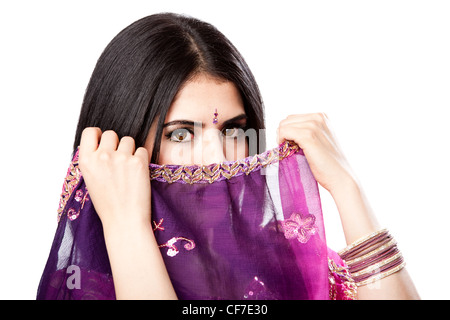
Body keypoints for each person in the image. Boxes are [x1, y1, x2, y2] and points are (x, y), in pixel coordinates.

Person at [41, 13, 419, 299]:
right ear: (121, 147)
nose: (217, 158)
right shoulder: (88, 280)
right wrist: (125, 227)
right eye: (182, 133)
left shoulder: (291, 263)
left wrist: (346, 186)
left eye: (234, 130)